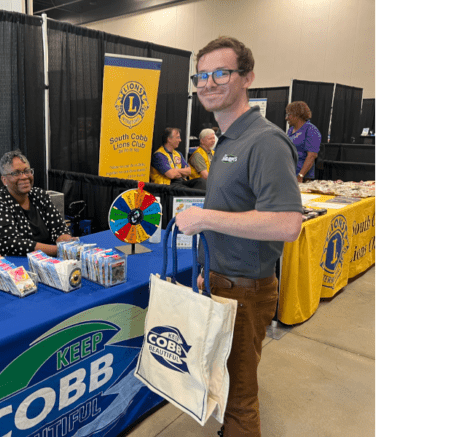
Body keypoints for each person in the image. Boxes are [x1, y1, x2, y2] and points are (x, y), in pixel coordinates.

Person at [176, 36, 303, 437]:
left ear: (247, 77)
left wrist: (205, 218)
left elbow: (287, 224)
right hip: (222, 281)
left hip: (245, 293)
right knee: (225, 387)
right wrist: (208, 271)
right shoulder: (225, 139)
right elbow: (237, 213)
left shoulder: (264, 140)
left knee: (240, 400)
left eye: (221, 73)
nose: (208, 83)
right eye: (202, 75)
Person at [0, 150, 75, 265]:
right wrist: (58, 251)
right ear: (4, 180)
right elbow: (12, 244)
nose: (24, 177)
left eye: (27, 171)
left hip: (36, 261)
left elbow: (59, 227)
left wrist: (67, 243)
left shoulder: (40, 195)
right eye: (16, 173)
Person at [285, 101, 322, 182]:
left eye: (288, 115)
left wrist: (300, 175)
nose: (286, 118)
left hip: (302, 177)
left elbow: (312, 156)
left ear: (297, 115)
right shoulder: (290, 130)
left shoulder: (311, 130)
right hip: (290, 173)